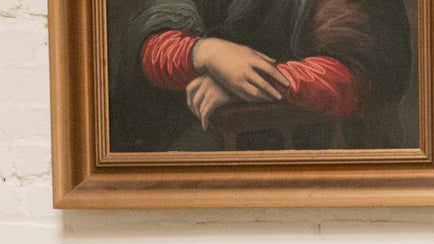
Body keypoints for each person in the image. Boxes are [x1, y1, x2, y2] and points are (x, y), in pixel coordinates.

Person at [108, 0, 414, 152]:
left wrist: (249, 80)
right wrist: (205, 53)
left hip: (307, 143)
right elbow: (151, 40)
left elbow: (360, 73)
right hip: (178, 135)